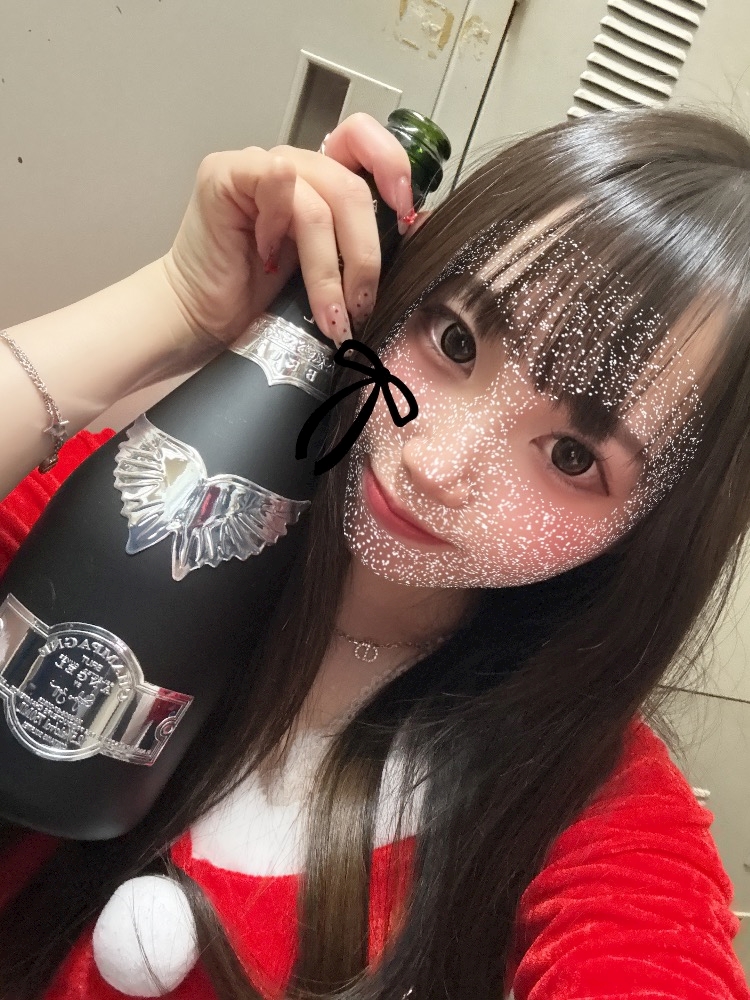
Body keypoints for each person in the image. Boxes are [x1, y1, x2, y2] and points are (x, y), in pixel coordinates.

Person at [0, 107, 748, 1000]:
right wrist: (172, 302)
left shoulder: (590, 805)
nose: (436, 462)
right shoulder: (180, 505)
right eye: (457, 340)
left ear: (651, 528)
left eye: (573, 456)